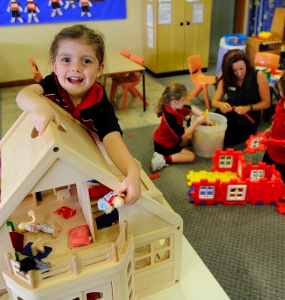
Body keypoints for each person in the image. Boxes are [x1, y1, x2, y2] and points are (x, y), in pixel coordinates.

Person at [16, 24, 141, 205]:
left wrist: (132, 173)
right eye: (66, 59)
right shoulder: (51, 84)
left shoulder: (99, 100)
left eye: (86, 61)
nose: (76, 67)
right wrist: (39, 107)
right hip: (53, 152)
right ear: (54, 65)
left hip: (86, 154)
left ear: (99, 69)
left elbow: (112, 139)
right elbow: (24, 95)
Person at [211, 49, 270, 145]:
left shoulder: (258, 75)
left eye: (241, 69)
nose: (239, 73)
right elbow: (214, 101)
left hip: (248, 118)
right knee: (209, 124)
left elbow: (266, 103)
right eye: (234, 71)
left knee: (224, 138)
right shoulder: (226, 77)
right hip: (230, 112)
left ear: (247, 64)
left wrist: (248, 108)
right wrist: (221, 104)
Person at [150, 82, 210, 173]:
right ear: (175, 101)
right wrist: (197, 122)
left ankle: (166, 153)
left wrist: (203, 116)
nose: (185, 102)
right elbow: (183, 136)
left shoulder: (176, 106)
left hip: (171, 139)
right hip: (165, 145)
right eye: (183, 100)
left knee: (192, 139)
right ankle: (163, 158)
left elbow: (191, 108)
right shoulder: (170, 118)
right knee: (191, 156)